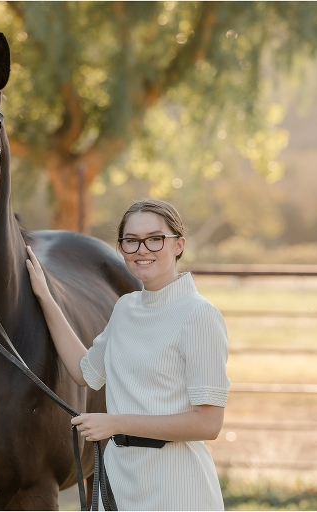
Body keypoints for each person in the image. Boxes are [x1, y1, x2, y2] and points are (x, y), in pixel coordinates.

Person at [25, 199, 230, 511]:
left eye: (155, 239)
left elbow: (208, 424)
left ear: (179, 245)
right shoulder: (125, 308)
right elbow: (84, 372)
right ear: (121, 249)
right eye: (131, 241)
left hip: (175, 486)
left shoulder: (199, 315)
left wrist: (116, 423)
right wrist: (44, 296)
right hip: (120, 479)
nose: (142, 249)